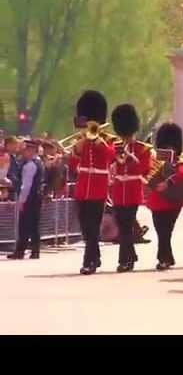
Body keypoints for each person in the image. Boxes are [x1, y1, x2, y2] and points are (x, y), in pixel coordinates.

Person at [68, 90, 115, 275]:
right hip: (82, 189)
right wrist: (77, 149)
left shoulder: (107, 140)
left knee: (93, 226)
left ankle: (89, 262)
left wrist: (98, 143)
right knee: (85, 226)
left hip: (98, 188)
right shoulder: (80, 140)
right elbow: (72, 164)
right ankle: (95, 256)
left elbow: (111, 156)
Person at [110, 104, 152, 273]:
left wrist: (131, 158)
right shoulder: (115, 147)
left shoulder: (142, 149)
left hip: (133, 189)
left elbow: (145, 169)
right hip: (119, 189)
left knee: (126, 224)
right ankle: (130, 256)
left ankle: (124, 260)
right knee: (122, 225)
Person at [147, 123, 183, 271]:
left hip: (172, 201)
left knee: (166, 230)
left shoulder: (179, 161)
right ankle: (167, 258)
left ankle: (163, 259)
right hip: (156, 200)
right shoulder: (155, 160)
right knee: (161, 231)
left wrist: (168, 181)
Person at [7, 139, 44, 259]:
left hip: (29, 198)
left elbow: (26, 186)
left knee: (24, 225)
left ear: (32, 150)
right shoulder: (39, 162)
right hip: (36, 197)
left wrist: (21, 201)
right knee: (34, 225)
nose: (24, 152)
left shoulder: (30, 165)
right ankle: (35, 251)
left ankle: (20, 251)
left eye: (27, 150)